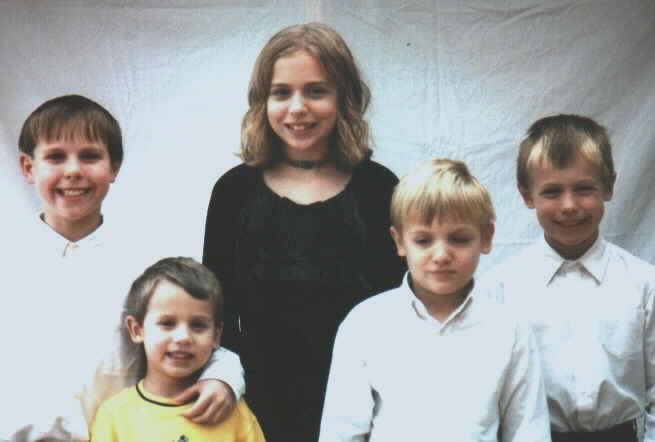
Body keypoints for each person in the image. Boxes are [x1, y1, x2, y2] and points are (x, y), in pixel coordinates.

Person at [202, 23, 405, 442]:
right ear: (262, 101)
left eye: (315, 91)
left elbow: (401, 309)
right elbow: (215, 312)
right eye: (281, 93)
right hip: (256, 408)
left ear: (344, 98)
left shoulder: (380, 189)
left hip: (363, 406)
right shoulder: (233, 192)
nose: (297, 108)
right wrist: (222, 381)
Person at [3, 95, 244, 442]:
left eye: (90, 156)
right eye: (55, 157)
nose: (73, 170)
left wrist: (223, 378)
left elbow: (197, 334)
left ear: (114, 167)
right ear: (28, 168)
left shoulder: (147, 266)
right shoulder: (8, 258)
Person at [319, 159, 552, 442]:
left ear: (486, 237)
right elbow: (341, 432)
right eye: (423, 241)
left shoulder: (509, 329)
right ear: (399, 241)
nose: (441, 255)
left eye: (458, 239)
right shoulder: (365, 325)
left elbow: (529, 431)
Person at [483, 114, 655, 441]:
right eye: (552, 192)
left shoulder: (646, 284)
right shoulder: (500, 289)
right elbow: (490, 391)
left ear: (609, 186)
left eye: (584, 189)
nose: (569, 205)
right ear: (526, 195)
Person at [91, 257, 265, 441]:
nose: (183, 337)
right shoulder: (115, 418)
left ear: (216, 336)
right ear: (137, 329)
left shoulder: (232, 412)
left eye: (198, 325)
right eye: (167, 323)